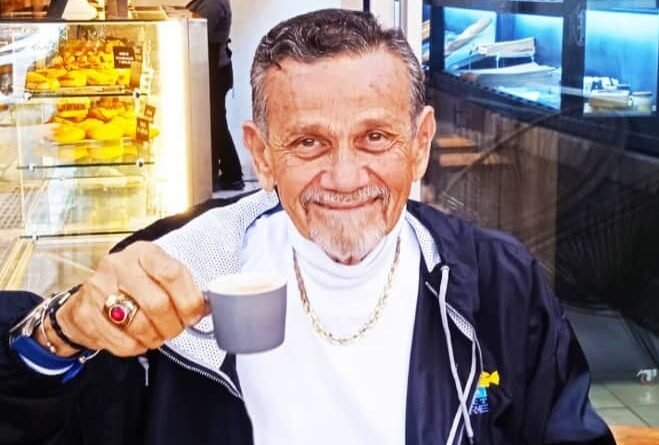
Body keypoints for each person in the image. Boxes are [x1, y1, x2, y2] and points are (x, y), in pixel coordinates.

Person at [0, 9, 616, 445]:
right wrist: (63, 330)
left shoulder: (500, 285)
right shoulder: (175, 265)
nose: (345, 177)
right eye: (308, 143)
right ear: (262, 155)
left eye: (375, 137)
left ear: (421, 143)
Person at [187, 0, 244, 191]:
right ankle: (221, 173)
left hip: (215, 73)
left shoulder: (212, 4)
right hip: (216, 71)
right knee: (214, 123)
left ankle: (232, 175)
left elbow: (197, 34)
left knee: (216, 124)